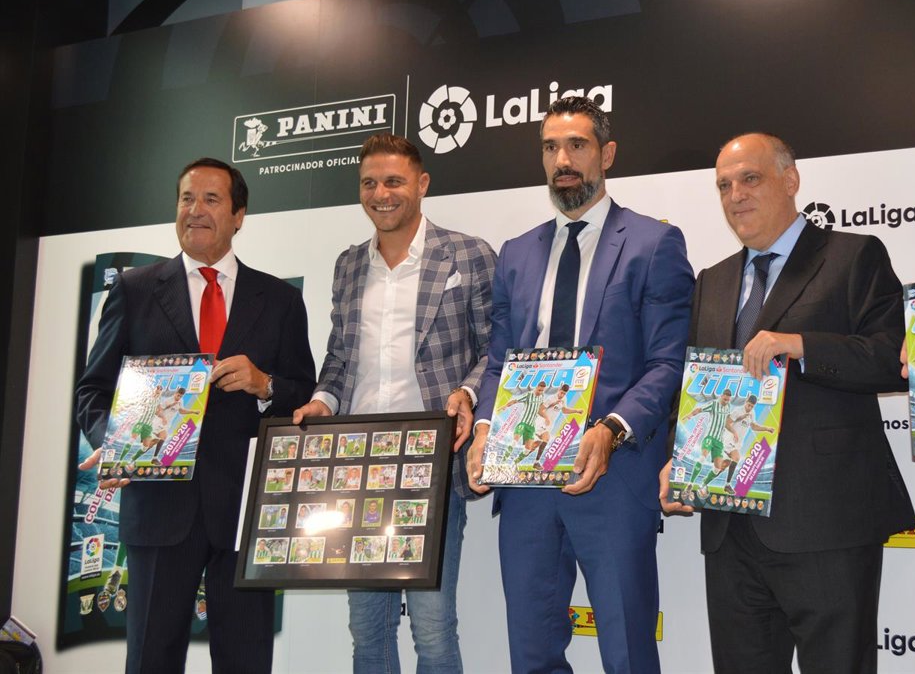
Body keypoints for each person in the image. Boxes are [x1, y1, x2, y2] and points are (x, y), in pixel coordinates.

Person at [661, 133, 915, 674]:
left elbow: (893, 356)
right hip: (730, 527)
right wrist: (676, 458)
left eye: (750, 179)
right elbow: (695, 386)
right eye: (724, 185)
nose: (736, 195)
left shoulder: (853, 256)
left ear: (791, 180)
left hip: (826, 522)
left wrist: (801, 346)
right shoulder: (712, 281)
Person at [467, 95, 694, 674]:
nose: (562, 160)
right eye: (550, 148)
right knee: (532, 654)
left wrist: (611, 429)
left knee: (626, 653)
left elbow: (668, 363)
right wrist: (486, 426)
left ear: (607, 154)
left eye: (576, 145)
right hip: (524, 480)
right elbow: (498, 362)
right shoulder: (516, 254)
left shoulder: (653, 243)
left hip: (614, 475)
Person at [76, 158, 316, 674]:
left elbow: (303, 395)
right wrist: (113, 442)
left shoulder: (279, 300)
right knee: (151, 659)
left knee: (246, 661)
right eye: (187, 198)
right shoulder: (135, 290)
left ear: (239, 215)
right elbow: (92, 391)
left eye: (211, 199)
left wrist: (265, 384)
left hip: (245, 511)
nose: (195, 210)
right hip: (158, 508)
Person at [291, 133, 496, 674]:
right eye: (369, 183)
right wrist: (322, 400)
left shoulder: (469, 255)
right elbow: (340, 356)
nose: (380, 194)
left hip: (433, 463)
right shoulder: (348, 265)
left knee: (433, 629)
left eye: (393, 181)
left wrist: (468, 393)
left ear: (422, 184)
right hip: (357, 466)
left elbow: (496, 349)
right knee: (367, 632)